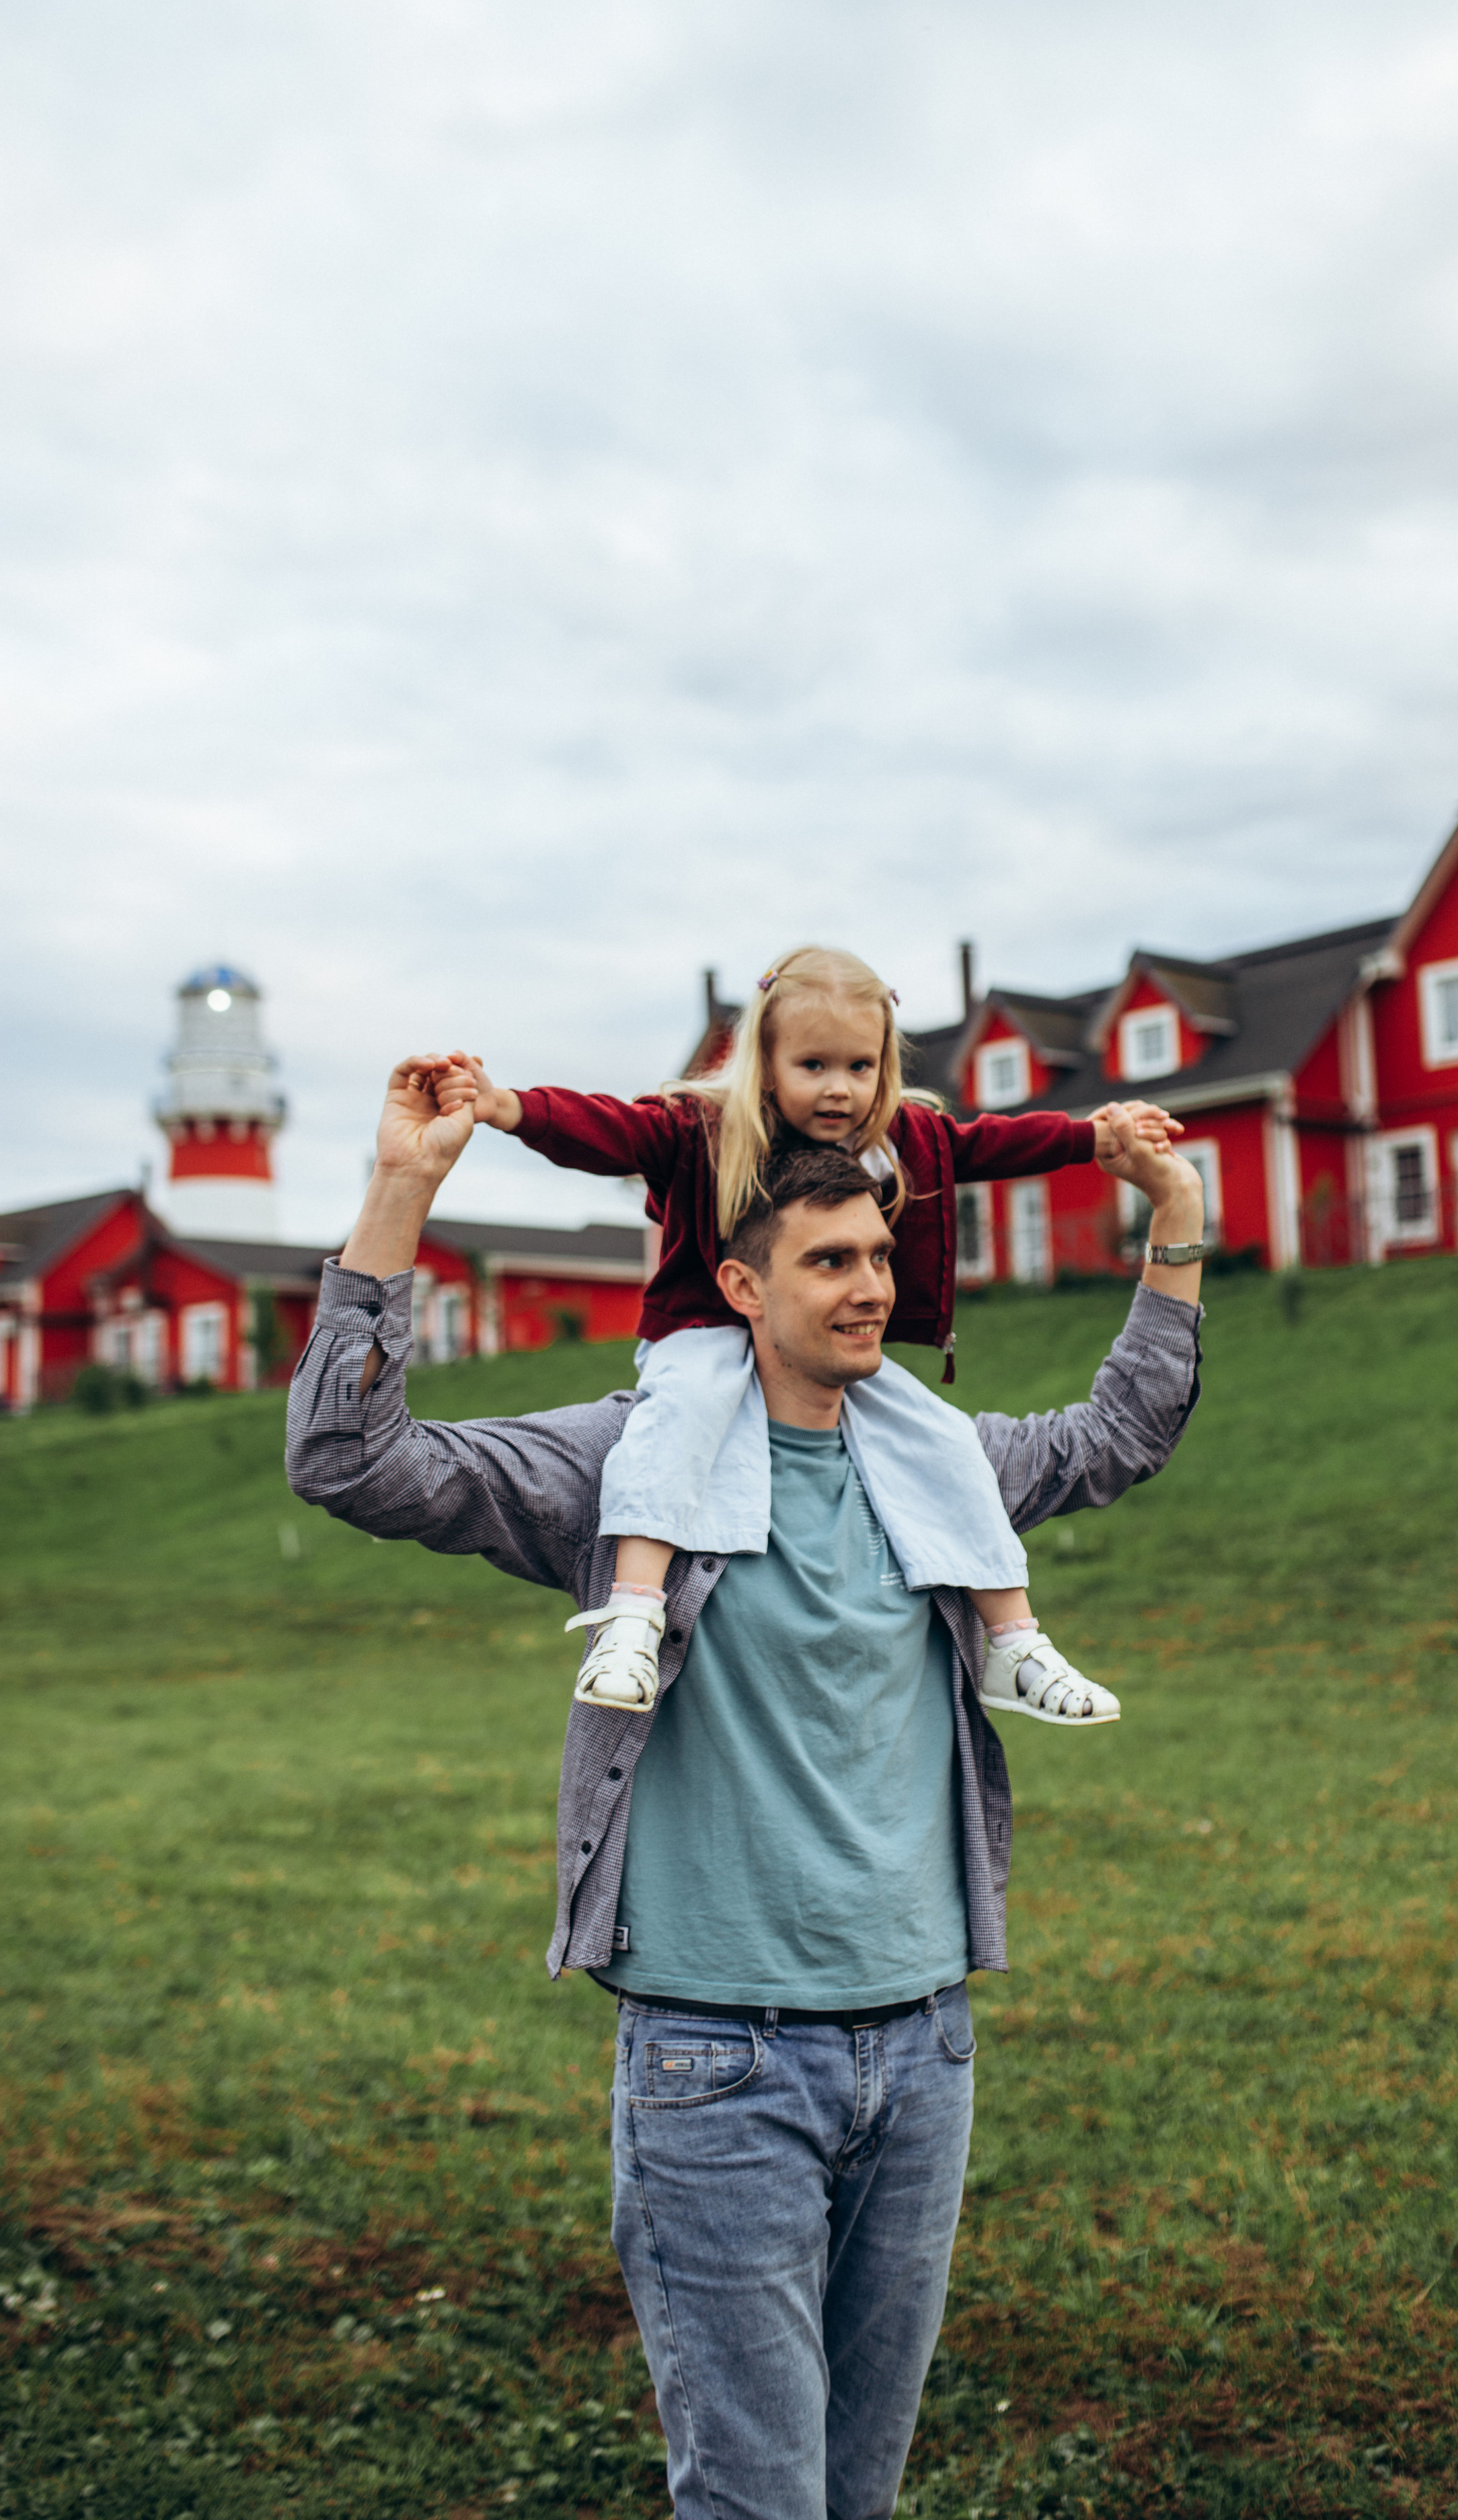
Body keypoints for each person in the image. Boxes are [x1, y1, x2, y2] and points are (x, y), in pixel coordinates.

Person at [284, 1056, 1204, 2520]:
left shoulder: (941, 1467)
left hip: (922, 2049)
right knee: (758, 2500)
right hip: (719, 2062)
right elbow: (351, 1461)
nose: (867, 1287)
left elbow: (1118, 1436)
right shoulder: (629, 1463)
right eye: (826, 1260)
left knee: (855, 2493)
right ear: (736, 1282)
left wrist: (1174, 1227)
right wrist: (405, 1187)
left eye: (879, 1256)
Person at [424, 945, 1177, 1729]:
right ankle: (633, 1616)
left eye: (859, 1067)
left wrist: (1090, 1139)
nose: (838, 1089)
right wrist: (506, 1106)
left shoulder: (899, 1139)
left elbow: (985, 1144)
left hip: (821, 1348)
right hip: (704, 1328)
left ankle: (1013, 1640)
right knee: (675, 1422)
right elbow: (611, 1131)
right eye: (813, 1065)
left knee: (941, 1440)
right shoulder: (706, 1128)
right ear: (767, 1063)